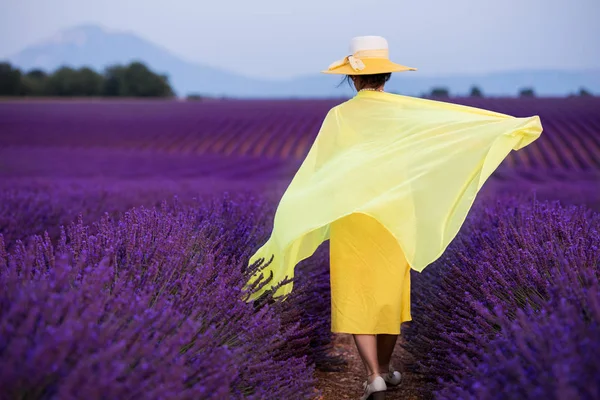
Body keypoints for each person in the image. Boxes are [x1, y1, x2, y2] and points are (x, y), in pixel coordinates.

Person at [243, 36, 543, 400]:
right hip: (396, 215)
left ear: (353, 79)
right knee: (387, 296)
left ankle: (373, 376)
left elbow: (319, 170)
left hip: (352, 214)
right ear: (387, 76)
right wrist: (504, 127)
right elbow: (445, 134)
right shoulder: (403, 113)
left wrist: (303, 209)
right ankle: (384, 369)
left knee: (355, 293)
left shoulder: (337, 117)